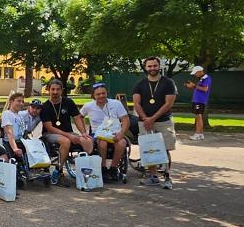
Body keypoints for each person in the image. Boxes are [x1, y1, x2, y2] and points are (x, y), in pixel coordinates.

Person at [133, 56, 177, 189]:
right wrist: (145, 118)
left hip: (163, 121)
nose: (152, 68)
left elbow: (168, 103)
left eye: (154, 66)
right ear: (145, 67)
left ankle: (167, 176)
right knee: (149, 149)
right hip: (144, 122)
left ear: (159, 66)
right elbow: (136, 103)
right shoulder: (140, 84)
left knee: (165, 148)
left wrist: (152, 118)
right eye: (149, 66)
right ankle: (153, 177)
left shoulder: (168, 83)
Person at [40, 79, 94, 187]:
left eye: (58, 89)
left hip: (68, 132)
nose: (55, 92)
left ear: (62, 90)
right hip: (50, 134)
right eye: (53, 89)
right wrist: (69, 135)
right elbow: (50, 128)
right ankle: (58, 172)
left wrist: (83, 132)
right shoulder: (45, 106)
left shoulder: (68, 102)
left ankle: (90, 171)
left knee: (87, 140)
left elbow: (77, 118)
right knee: (66, 141)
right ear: (48, 90)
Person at [80, 83, 129, 182]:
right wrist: (83, 131)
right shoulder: (88, 106)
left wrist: (121, 134)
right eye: (98, 94)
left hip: (114, 132)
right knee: (103, 142)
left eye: (103, 93)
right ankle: (102, 168)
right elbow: (79, 117)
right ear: (93, 95)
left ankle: (113, 168)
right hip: (98, 133)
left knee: (122, 143)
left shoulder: (116, 104)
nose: (101, 96)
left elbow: (125, 120)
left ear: (107, 93)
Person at [185, 65, 212, 141]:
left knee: (199, 117)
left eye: (196, 73)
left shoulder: (206, 78)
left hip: (200, 101)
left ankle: (198, 134)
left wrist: (194, 85)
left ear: (200, 72)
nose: (195, 75)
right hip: (197, 100)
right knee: (197, 117)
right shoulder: (201, 79)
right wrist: (191, 86)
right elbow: (199, 88)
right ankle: (200, 134)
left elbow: (205, 89)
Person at [1, 92, 28, 161]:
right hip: (10, 143)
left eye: (22, 102)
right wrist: (15, 148)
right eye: (18, 101)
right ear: (11, 101)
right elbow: (9, 132)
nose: (21, 103)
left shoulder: (20, 116)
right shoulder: (7, 114)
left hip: (21, 141)